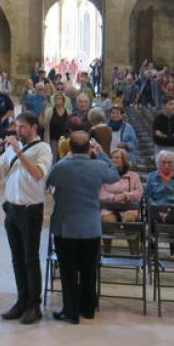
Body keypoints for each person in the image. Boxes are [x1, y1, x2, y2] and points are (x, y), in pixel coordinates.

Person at [47, 131, 124, 323]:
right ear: (89, 147)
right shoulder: (98, 166)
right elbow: (115, 175)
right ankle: (88, 309)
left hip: (66, 227)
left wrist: (65, 156)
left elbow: (49, 179)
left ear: (70, 147)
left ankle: (71, 312)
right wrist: (100, 152)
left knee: (68, 271)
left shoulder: (62, 167)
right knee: (89, 270)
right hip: (90, 226)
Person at [0, 112, 53, 325]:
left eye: (23, 127)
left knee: (30, 258)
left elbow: (38, 174)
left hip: (30, 211)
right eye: (17, 126)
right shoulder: (10, 149)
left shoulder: (43, 149)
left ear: (34, 127)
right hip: (12, 210)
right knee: (17, 260)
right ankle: (21, 300)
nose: (18, 131)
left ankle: (34, 305)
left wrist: (18, 151)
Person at [101, 150, 144, 254]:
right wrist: (113, 197)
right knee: (108, 221)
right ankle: (107, 251)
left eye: (117, 158)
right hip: (109, 206)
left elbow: (139, 192)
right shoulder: (105, 174)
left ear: (124, 160)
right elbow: (101, 192)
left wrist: (126, 195)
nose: (114, 160)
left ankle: (134, 252)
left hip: (128, 206)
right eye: (113, 158)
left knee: (129, 220)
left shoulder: (134, 176)